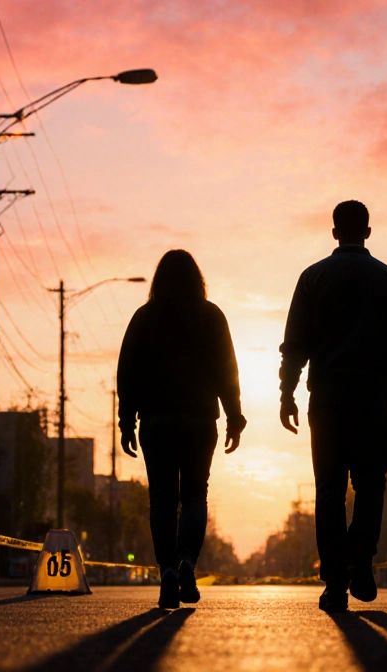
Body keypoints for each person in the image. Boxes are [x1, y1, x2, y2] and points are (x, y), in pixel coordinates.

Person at [278, 200, 387, 613]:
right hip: (374, 398)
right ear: (368, 232)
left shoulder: (313, 278)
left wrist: (287, 394)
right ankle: (362, 559)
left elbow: (294, 346)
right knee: (372, 483)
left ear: (335, 232)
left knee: (329, 490)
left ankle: (336, 582)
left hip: (327, 400)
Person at [117, 249, 246, 609]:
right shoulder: (211, 316)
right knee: (194, 495)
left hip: (156, 421)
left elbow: (127, 373)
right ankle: (187, 561)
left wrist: (126, 421)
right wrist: (234, 417)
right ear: (197, 281)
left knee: (162, 498)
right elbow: (228, 371)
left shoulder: (144, 318)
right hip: (199, 421)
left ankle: (168, 571)